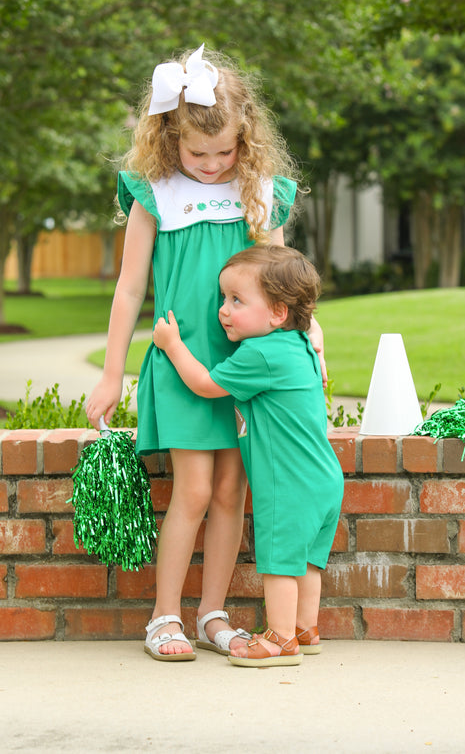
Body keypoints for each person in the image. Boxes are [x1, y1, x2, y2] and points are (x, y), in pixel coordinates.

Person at [86, 44, 325, 662]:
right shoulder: (154, 194)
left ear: (245, 140)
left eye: (227, 152)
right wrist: (112, 374)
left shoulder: (258, 193)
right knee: (192, 491)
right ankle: (164, 616)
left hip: (247, 371)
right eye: (199, 153)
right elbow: (129, 288)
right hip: (184, 362)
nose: (214, 164)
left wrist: (309, 333)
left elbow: (283, 277)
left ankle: (211, 614)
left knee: (230, 495)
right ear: (170, 137)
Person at [153, 245, 344, 667]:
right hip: (324, 478)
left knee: (278, 562)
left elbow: (204, 384)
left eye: (236, 301)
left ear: (277, 313)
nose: (223, 310)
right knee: (306, 562)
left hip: (288, 482)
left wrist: (172, 345)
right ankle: (303, 630)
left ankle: (278, 640)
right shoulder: (300, 344)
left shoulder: (261, 353)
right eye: (224, 298)